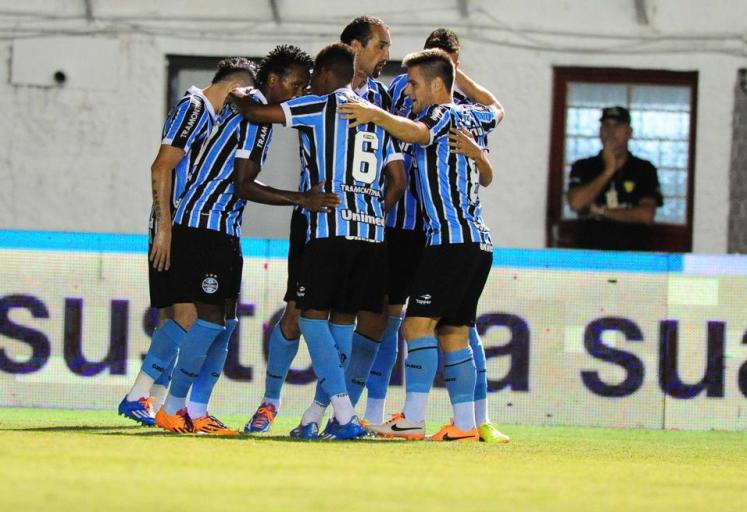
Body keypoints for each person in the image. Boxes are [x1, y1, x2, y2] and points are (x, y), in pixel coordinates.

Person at [154, 47, 338, 435]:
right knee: (210, 320)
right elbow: (244, 184)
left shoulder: (252, 109)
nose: (298, 92)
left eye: (304, 86)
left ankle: (197, 410)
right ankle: (172, 407)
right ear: (272, 79)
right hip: (204, 223)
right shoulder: (255, 113)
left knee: (224, 321)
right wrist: (301, 199)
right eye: (295, 84)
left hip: (223, 225)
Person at [231, 43, 406, 440]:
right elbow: (398, 181)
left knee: (309, 316)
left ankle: (343, 414)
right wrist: (371, 211)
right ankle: (313, 414)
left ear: (325, 74)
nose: (307, 86)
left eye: (312, 79)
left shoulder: (320, 104)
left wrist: (238, 91)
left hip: (327, 227)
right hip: (372, 235)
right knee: (343, 320)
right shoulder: (379, 116)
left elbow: (256, 113)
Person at [339, 48, 504, 441]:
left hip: (450, 241)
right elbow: (497, 109)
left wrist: (375, 114)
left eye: (413, 84)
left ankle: (412, 418)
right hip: (477, 242)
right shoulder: (472, 115)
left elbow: (417, 133)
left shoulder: (442, 113)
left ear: (436, 84)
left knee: (416, 325)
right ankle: (464, 425)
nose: (408, 91)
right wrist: (481, 155)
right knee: (453, 333)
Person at [118, 58, 247, 427]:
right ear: (234, 88)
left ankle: (154, 402)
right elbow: (162, 165)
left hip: (180, 225)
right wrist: (165, 227)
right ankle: (138, 396)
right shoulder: (195, 109)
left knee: (176, 316)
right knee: (188, 315)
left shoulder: (206, 114)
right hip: (175, 226)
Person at [566, 106, 663, 251]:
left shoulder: (644, 169)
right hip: (590, 253)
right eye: (606, 126)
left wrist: (601, 211)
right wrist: (608, 171)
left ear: (629, 132)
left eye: (617, 126)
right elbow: (576, 203)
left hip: (633, 254)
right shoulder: (583, 166)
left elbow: (646, 215)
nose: (611, 132)